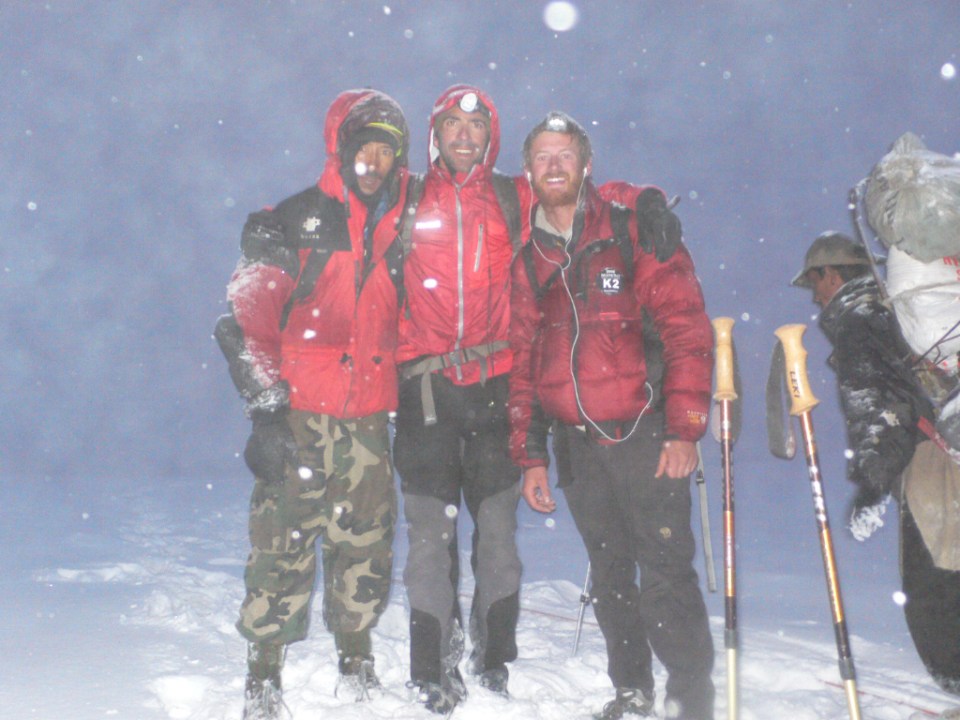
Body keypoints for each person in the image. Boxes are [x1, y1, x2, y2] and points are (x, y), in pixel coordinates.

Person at [508, 111, 715, 720]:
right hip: (576, 450)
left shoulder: (632, 232)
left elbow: (686, 331)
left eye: (564, 154)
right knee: (610, 576)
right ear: (528, 172)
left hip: (645, 435)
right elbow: (523, 362)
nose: (554, 165)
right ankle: (632, 690)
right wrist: (530, 456)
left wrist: (684, 429)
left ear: (586, 164)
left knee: (666, 571)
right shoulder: (530, 259)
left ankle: (689, 700)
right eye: (543, 156)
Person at [214, 89, 412, 719]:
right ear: (342, 147)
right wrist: (267, 412)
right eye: (365, 146)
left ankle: (355, 659)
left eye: (387, 149)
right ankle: (263, 674)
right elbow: (247, 322)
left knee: (365, 546)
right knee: (282, 543)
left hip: (368, 424)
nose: (374, 160)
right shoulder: (291, 219)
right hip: (299, 417)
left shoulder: (401, 228)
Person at [792, 231, 960, 697]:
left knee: (934, 586)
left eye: (815, 283)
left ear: (831, 274)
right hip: (948, 442)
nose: (816, 296)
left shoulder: (859, 321)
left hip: (931, 459)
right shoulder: (896, 310)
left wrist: (871, 483)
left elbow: (879, 407)